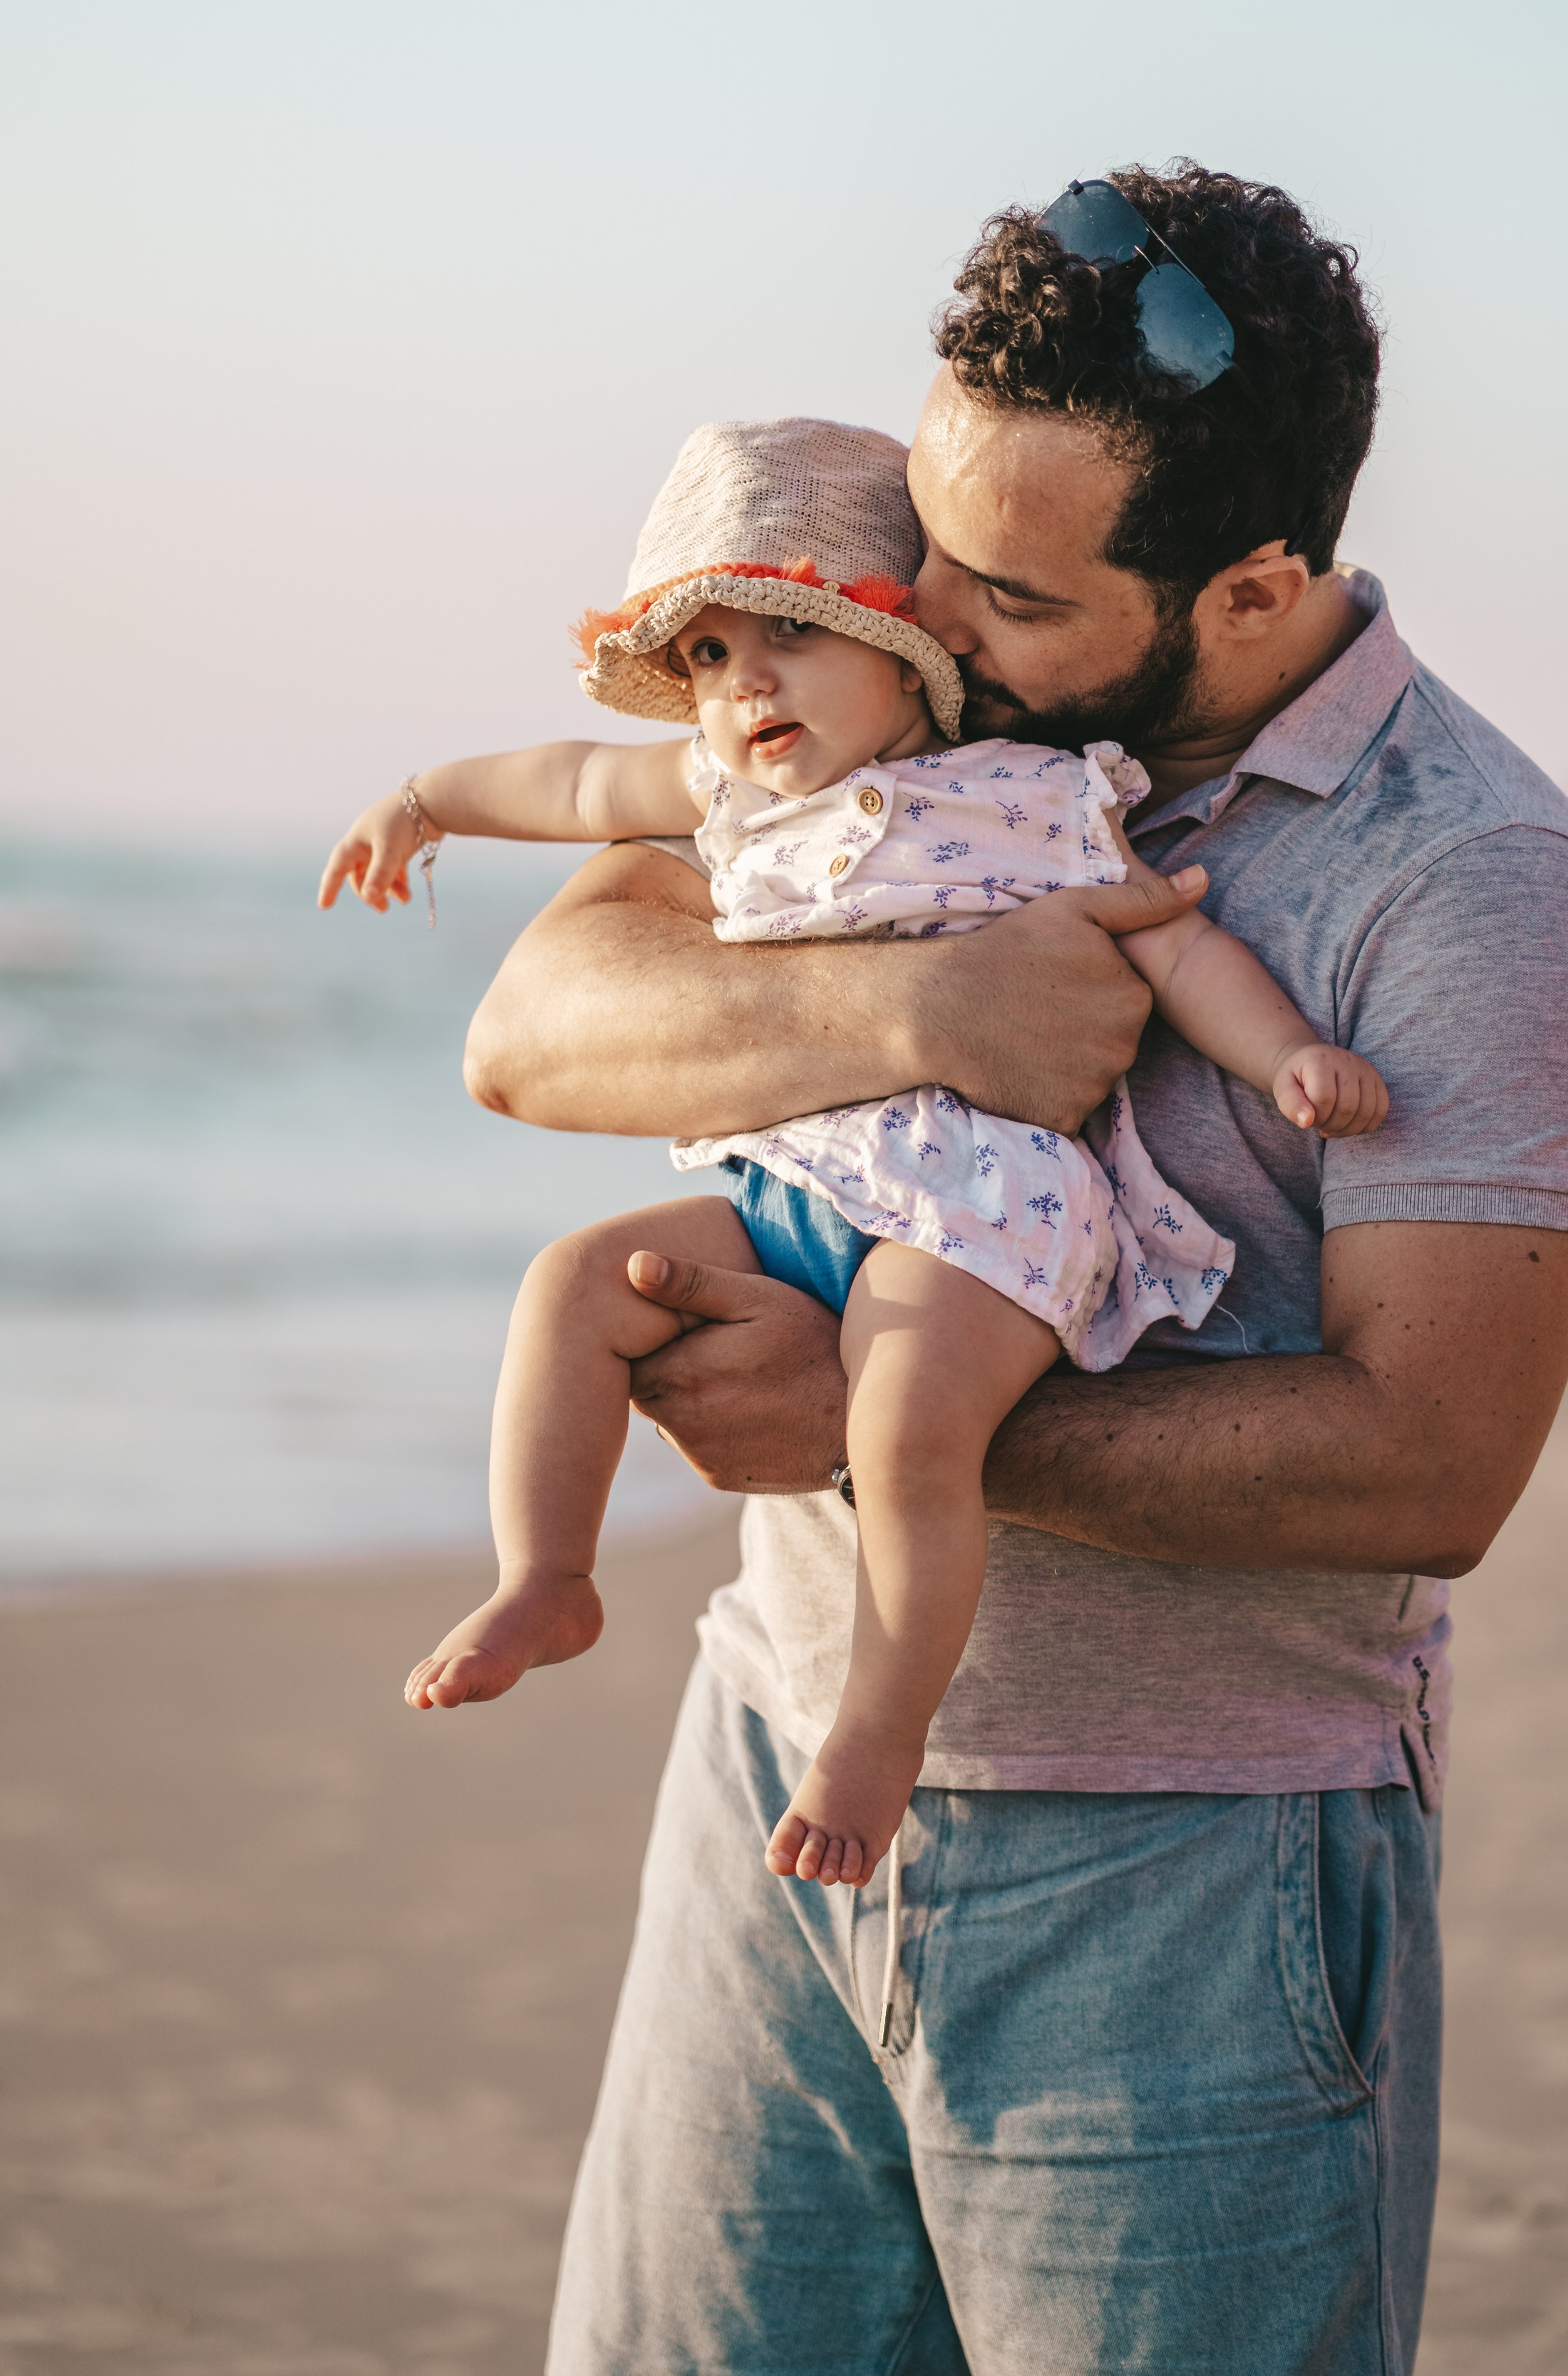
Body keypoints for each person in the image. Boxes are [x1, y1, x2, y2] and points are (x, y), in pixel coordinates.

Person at [464, 164, 1568, 2376]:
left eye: (997, 586)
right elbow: (533, 1029)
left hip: (1186, 1886)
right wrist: (918, 1018)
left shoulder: (1476, 884)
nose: (912, 610)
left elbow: (1430, 1465)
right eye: (920, 536)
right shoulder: (900, 706)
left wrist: (887, 1421)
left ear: (1249, 586)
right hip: (767, 1776)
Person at [319, 417, 1389, 1891]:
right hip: (798, 1197)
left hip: (979, 1212)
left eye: (790, 637)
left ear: (907, 655)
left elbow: (1174, 931)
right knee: (573, 1285)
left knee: (900, 1427)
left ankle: (876, 1732)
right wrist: (425, 798)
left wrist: (1283, 1059)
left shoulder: (1024, 793)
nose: (743, 681)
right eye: (704, 658)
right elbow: (569, 783)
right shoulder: (726, 801)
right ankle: (546, 1581)